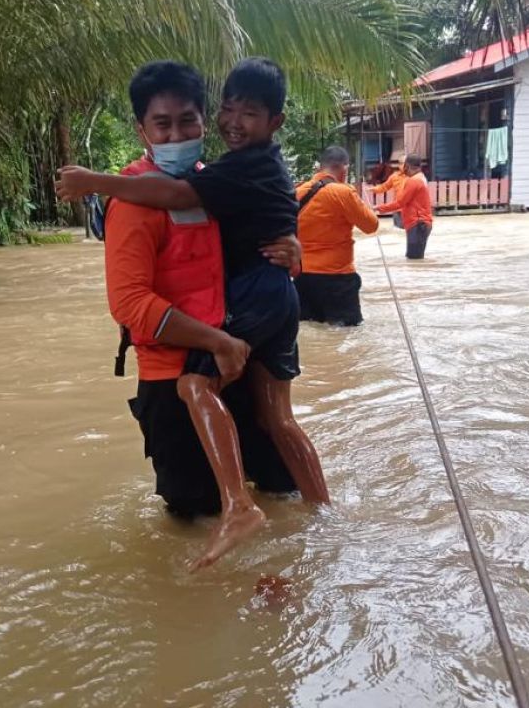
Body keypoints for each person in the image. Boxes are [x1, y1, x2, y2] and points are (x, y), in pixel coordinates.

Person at [58, 58, 330, 570]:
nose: (179, 133)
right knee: (193, 522)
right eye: (164, 124)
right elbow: (130, 304)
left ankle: (292, 595)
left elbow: (256, 243)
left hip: (238, 364)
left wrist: (293, 252)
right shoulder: (133, 199)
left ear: (204, 121)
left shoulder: (216, 181)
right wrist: (215, 341)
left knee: (280, 499)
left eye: (189, 120)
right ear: (142, 129)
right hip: (180, 375)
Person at [293, 146, 379, 326]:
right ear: (344, 169)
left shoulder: (297, 192)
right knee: (346, 335)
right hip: (337, 279)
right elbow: (371, 226)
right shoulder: (343, 193)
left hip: (303, 278)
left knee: (308, 329)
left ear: (319, 168)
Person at [377, 153, 434, 259]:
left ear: (407, 166)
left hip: (417, 224)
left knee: (413, 259)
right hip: (421, 223)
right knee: (416, 260)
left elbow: (400, 202)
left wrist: (379, 208)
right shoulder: (421, 178)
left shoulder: (413, 181)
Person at [371, 157, 410, 227]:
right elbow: (384, 186)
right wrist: (374, 189)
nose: (403, 166)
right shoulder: (394, 177)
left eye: (405, 163)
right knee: (398, 233)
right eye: (401, 163)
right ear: (399, 165)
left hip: (410, 210)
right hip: (397, 210)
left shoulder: (413, 176)